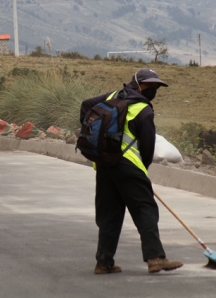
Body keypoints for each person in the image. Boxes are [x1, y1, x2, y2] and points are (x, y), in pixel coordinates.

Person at [80, 68, 183, 275]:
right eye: (149, 86)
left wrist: (92, 136)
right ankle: (156, 259)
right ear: (137, 84)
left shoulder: (111, 96)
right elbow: (147, 147)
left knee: (110, 213)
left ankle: (104, 262)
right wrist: (141, 171)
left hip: (104, 164)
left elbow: (86, 106)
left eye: (156, 87)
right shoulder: (144, 110)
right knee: (145, 209)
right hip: (128, 166)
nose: (153, 90)